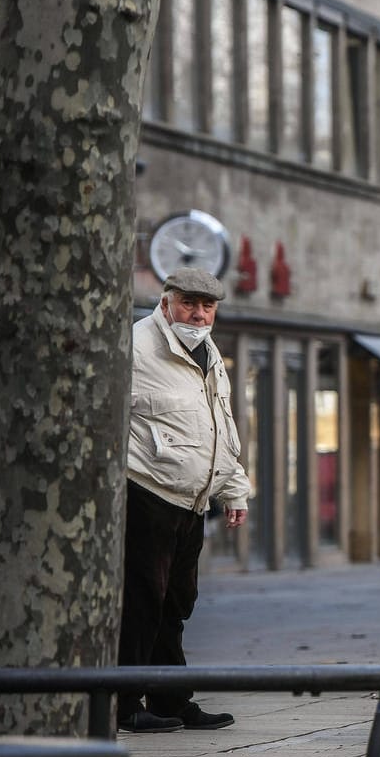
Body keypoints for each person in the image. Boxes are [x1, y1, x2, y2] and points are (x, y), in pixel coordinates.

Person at [119, 269, 253, 733]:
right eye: (189, 304)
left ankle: (172, 700)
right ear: (166, 302)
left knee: (177, 604)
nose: (198, 314)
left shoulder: (209, 352)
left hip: (191, 501)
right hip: (146, 493)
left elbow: (221, 427)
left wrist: (234, 488)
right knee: (141, 603)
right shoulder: (135, 347)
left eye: (207, 306)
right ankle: (123, 705)